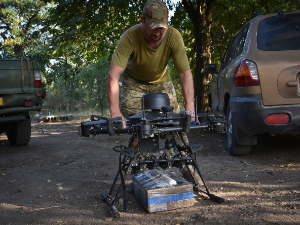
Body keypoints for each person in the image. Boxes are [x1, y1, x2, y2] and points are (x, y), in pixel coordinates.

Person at [107, 0, 196, 127]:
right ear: (142, 20)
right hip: (134, 84)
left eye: (162, 27)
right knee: (138, 128)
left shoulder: (173, 36)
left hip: (162, 82)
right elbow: (113, 75)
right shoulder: (129, 37)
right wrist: (115, 113)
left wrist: (190, 109)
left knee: (174, 126)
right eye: (154, 27)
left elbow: (185, 74)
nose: (158, 32)